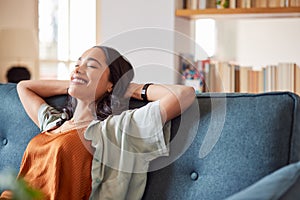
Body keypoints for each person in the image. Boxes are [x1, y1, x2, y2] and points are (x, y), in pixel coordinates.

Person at [0, 46, 195, 200]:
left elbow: (183, 95)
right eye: (78, 64)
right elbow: (24, 87)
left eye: (91, 66)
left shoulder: (117, 130)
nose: (78, 68)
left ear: (111, 83)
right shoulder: (54, 123)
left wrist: (126, 88)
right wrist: (76, 83)